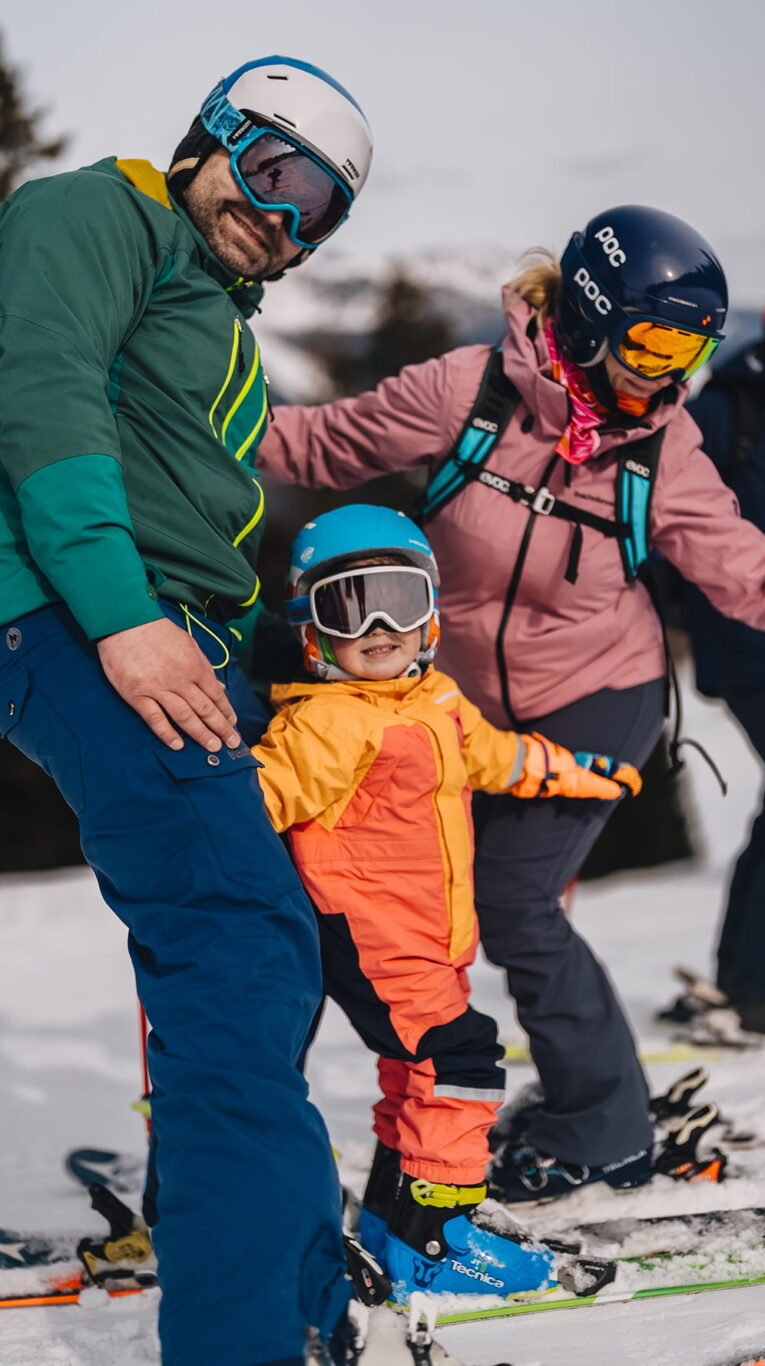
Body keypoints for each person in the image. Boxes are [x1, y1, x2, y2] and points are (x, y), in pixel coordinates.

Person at [256, 204, 765, 1202]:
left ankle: (605, 1130)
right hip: (450, 703)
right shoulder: (468, 392)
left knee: (515, 902)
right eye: (653, 343)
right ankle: (401, 1114)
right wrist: (174, 421)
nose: (667, 375)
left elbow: (743, 568)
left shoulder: (662, 450)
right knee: (394, 910)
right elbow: (313, 446)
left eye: (690, 352)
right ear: (588, 315)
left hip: (597, 691)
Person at [0, 56, 374, 1366]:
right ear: (212, 134)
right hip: (79, 614)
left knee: (269, 945)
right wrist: (121, 615)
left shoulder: (213, 310)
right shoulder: (96, 210)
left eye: (319, 211)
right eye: (276, 175)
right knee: (235, 946)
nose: (284, 220)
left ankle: (284, 1282)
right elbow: (42, 393)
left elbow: (198, 509)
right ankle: (246, 1334)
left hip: (171, 631)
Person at [251, 503, 641, 1299]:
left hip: (429, 938)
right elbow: (259, 802)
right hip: (373, 937)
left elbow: (498, 756)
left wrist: (577, 772)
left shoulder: (437, 701)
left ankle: (396, 1216)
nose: (380, 627)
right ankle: (438, 1233)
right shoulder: (327, 724)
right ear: (311, 630)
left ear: (431, 612)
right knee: (459, 1060)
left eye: (400, 599)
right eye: (350, 606)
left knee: (415, 1068)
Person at [667, 314, 765, 1041]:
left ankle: (743, 978)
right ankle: (750, 987)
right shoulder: (731, 407)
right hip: (746, 646)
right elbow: (660, 512)